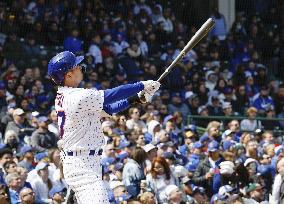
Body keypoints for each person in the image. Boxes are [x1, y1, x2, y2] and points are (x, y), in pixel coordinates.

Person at [47, 51, 160, 204]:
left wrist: (136, 98)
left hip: (83, 160)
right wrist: (141, 85)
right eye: (78, 66)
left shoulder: (66, 94)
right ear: (68, 74)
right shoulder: (76, 96)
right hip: (81, 163)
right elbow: (110, 95)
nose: (82, 68)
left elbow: (108, 109)